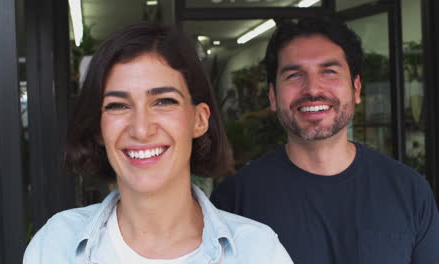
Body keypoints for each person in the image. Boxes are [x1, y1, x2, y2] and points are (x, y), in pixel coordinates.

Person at [23, 22, 293, 264]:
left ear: (199, 120)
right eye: (117, 105)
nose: (141, 129)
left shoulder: (257, 251)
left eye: (164, 101)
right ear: (97, 128)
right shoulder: (56, 245)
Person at [211, 17, 439, 264]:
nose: (313, 89)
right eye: (294, 75)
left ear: (356, 88)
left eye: (329, 72)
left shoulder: (409, 191)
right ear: (273, 97)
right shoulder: (234, 200)